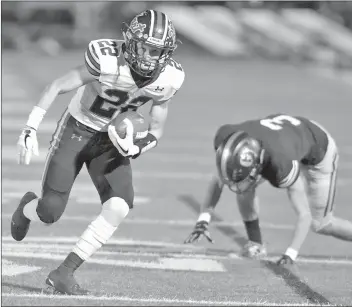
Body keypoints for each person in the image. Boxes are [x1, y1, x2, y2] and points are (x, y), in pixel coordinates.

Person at [11, 9, 185, 295]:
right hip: (76, 130)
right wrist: (30, 126)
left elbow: (157, 128)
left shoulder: (169, 78)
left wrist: (138, 146)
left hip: (110, 141)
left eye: (157, 51)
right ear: (131, 41)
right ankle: (27, 209)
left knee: (119, 206)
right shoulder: (106, 58)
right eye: (145, 47)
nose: (149, 56)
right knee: (49, 212)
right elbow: (57, 86)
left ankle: (63, 273)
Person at [184, 114, 352, 265]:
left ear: (257, 164)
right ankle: (256, 244)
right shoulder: (228, 141)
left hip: (318, 148)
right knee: (245, 187)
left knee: (322, 224)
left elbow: (304, 214)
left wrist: (290, 253)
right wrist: (203, 220)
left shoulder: (280, 166)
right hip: (283, 139)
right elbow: (219, 179)